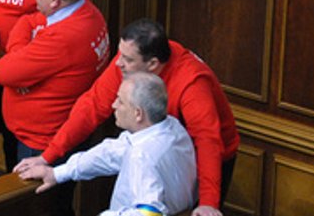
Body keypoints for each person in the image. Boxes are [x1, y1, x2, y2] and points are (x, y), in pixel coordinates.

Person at [14, 19, 239, 216]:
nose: (118, 62)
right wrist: (50, 158)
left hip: (207, 157)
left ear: (152, 64)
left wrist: (208, 203)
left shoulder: (192, 85)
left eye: (127, 59)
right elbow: (92, 108)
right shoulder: (131, 65)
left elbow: (208, 142)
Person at [19, 72, 197, 216]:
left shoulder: (142, 156)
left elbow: (150, 212)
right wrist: (57, 173)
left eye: (120, 101)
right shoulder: (172, 127)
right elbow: (109, 153)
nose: (113, 105)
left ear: (138, 114)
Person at [0, 0, 110, 161]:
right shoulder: (83, 9)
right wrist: (21, 54)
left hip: (41, 145)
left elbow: (3, 72)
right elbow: (28, 21)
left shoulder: (65, 37)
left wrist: (18, 61)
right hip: (50, 135)